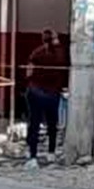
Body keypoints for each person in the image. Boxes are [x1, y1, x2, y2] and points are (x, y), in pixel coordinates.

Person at [23, 29, 65, 170]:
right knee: (52, 124)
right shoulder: (61, 53)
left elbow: (28, 73)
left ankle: (32, 156)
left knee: (34, 124)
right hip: (53, 93)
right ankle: (51, 152)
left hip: (36, 91)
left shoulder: (36, 53)